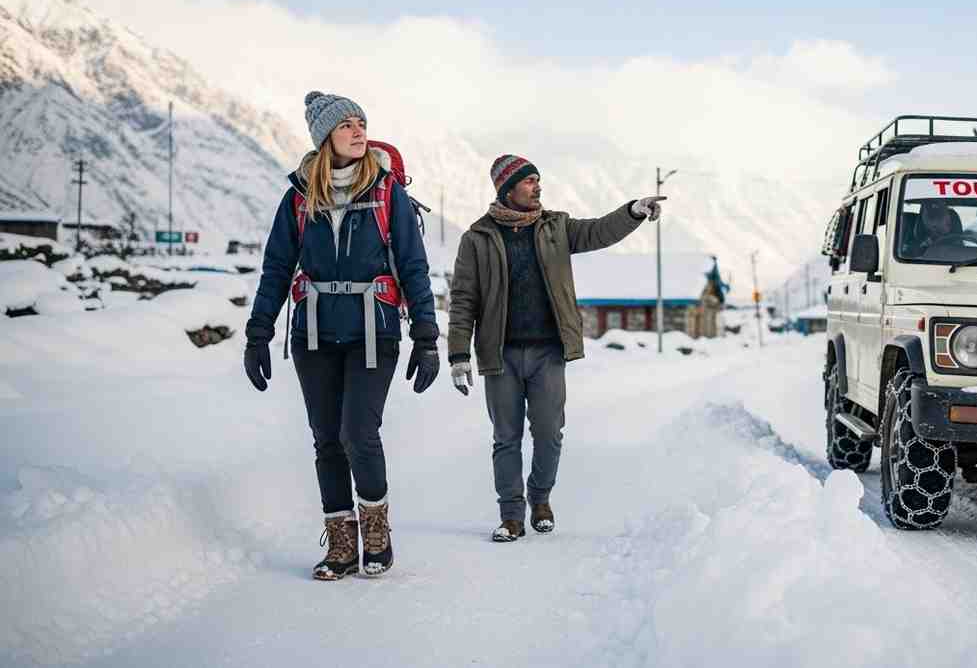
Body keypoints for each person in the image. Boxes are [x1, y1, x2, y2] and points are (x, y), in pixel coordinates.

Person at [242, 91, 440, 580]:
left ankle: (377, 533)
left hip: (374, 331)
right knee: (327, 440)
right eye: (346, 124)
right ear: (325, 137)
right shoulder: (298, 196)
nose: (358, 131)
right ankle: (342, 546)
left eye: (361, 122)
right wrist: (258, 333)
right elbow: (276, 268)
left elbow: (413, 266)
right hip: (313, 334)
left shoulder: (386, 191)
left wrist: (427, 337)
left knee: (358, 433)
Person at [446, 154, 664, 542]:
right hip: (500, 355)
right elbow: (463, 299)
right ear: (507, 189)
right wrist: (459, 354)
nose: (537, 187)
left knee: (549, 433)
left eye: (538, 180)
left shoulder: (556, 227)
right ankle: (511, 515)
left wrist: (632, 211)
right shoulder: (477, 238)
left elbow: (599, 231)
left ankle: (540, 498)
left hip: (548, 352)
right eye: (529, 181)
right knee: (506, 438)